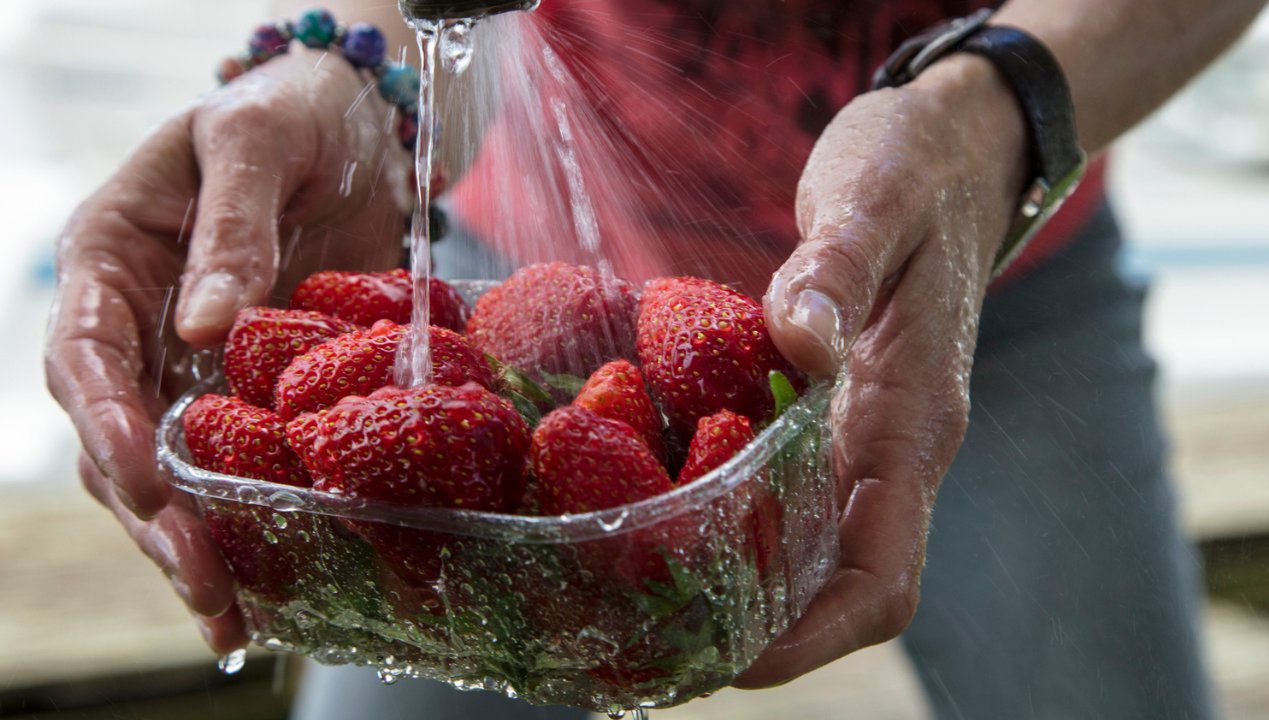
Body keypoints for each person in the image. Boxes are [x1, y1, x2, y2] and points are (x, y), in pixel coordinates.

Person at [44, 0, 1267, 717]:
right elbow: (434, 31)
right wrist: (348, 74)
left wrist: (993, 115)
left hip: (984, 279)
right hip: (501, 322)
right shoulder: (457, 373)